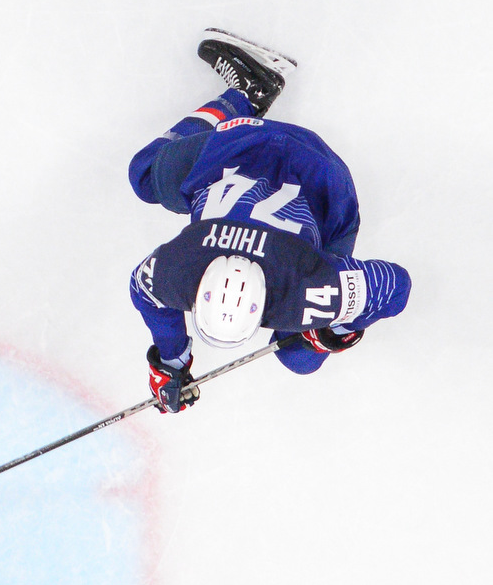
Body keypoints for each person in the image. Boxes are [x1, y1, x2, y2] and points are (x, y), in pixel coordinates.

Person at [129, 30, 411, 411]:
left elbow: (395, 285)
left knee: (301, 355)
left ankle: (246, 94)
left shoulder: (309, 291)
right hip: (263, 151)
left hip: (310, 168)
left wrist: (338, 325)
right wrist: (169, 364)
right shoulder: (177, 270)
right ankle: (245, 95)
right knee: (144, 173)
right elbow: (397, 285)